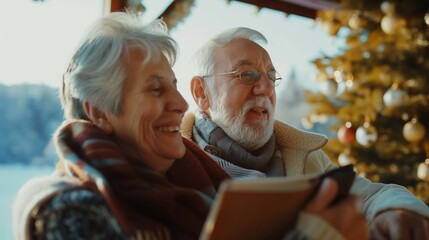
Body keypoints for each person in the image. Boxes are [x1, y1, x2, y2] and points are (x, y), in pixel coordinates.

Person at [12, 12, 366, 240]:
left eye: (174, 86)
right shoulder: (67, 211)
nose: (181, 104)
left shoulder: (197, 179)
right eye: (155, 88)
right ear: (100, 112)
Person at [182, 26, 429, 240]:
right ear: (201, 93)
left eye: (271, 76)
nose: (266, 88)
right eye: (247, 74)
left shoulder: (305, 156)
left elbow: (372, 196)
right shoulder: (172, 159)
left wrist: (396, 211)